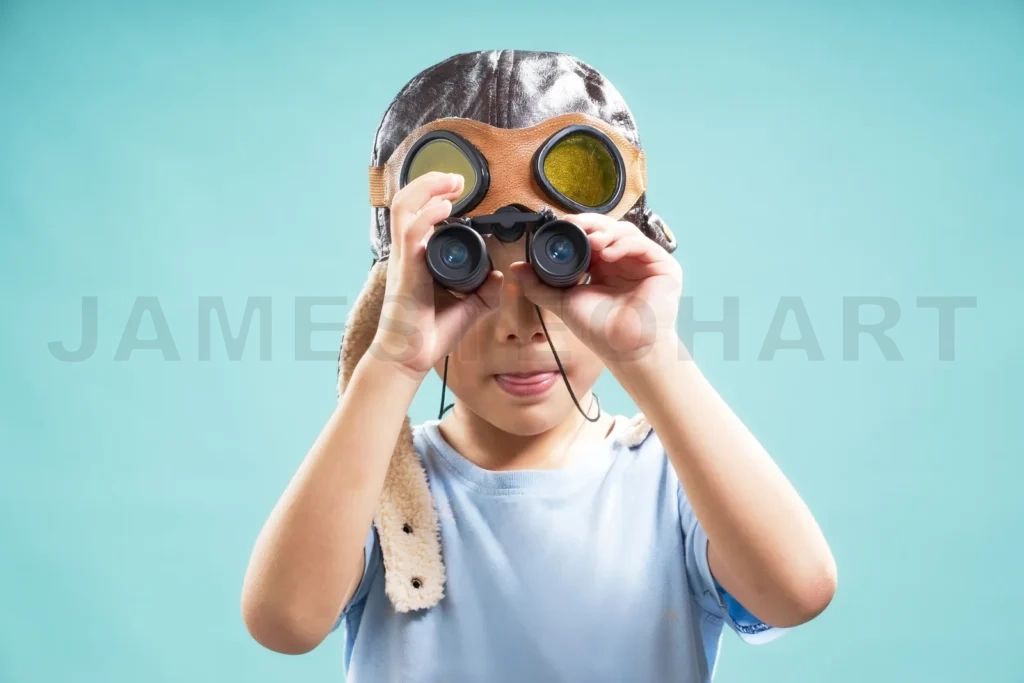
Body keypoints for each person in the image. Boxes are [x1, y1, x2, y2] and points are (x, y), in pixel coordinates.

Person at [241, 50, 836, 682]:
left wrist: (650, 354)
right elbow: (284, 622)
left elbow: (797, 592)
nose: (520, 325)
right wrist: (392, 361)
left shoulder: (682, 480)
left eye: (559, 273)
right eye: (466, 280)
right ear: (399, 294)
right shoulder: (378, 487)